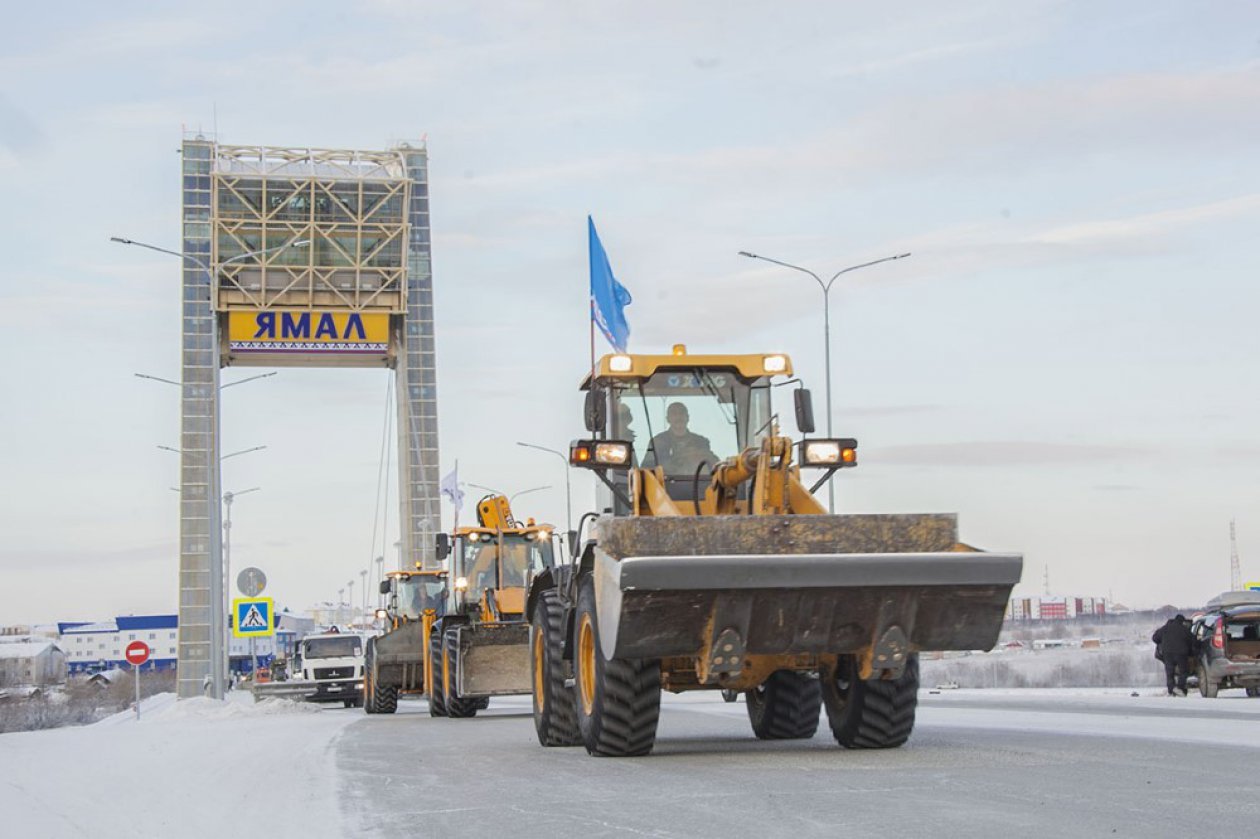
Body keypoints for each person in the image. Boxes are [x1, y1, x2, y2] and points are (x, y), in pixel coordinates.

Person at [643, 402, 717, 475]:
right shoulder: (657, 442)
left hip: (697, 485)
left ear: (687, 417)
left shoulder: (701, 442)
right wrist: (673, 462)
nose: (678, 417)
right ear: (668, 419)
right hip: (666, 485)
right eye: (674, 414)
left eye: (681, 413)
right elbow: (646, 471)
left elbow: (714, 465)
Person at [1152, 614, 1196, 696]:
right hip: (1181, 654)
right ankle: (1179, 688)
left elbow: (1154, 638)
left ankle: (1171, 690)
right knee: (1184, 672)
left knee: (1170, 673)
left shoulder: (1165, 628)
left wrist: (1162, 643)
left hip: (1167, 654)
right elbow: (1193, 641)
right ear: (1182, 622)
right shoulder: (1184, 630)